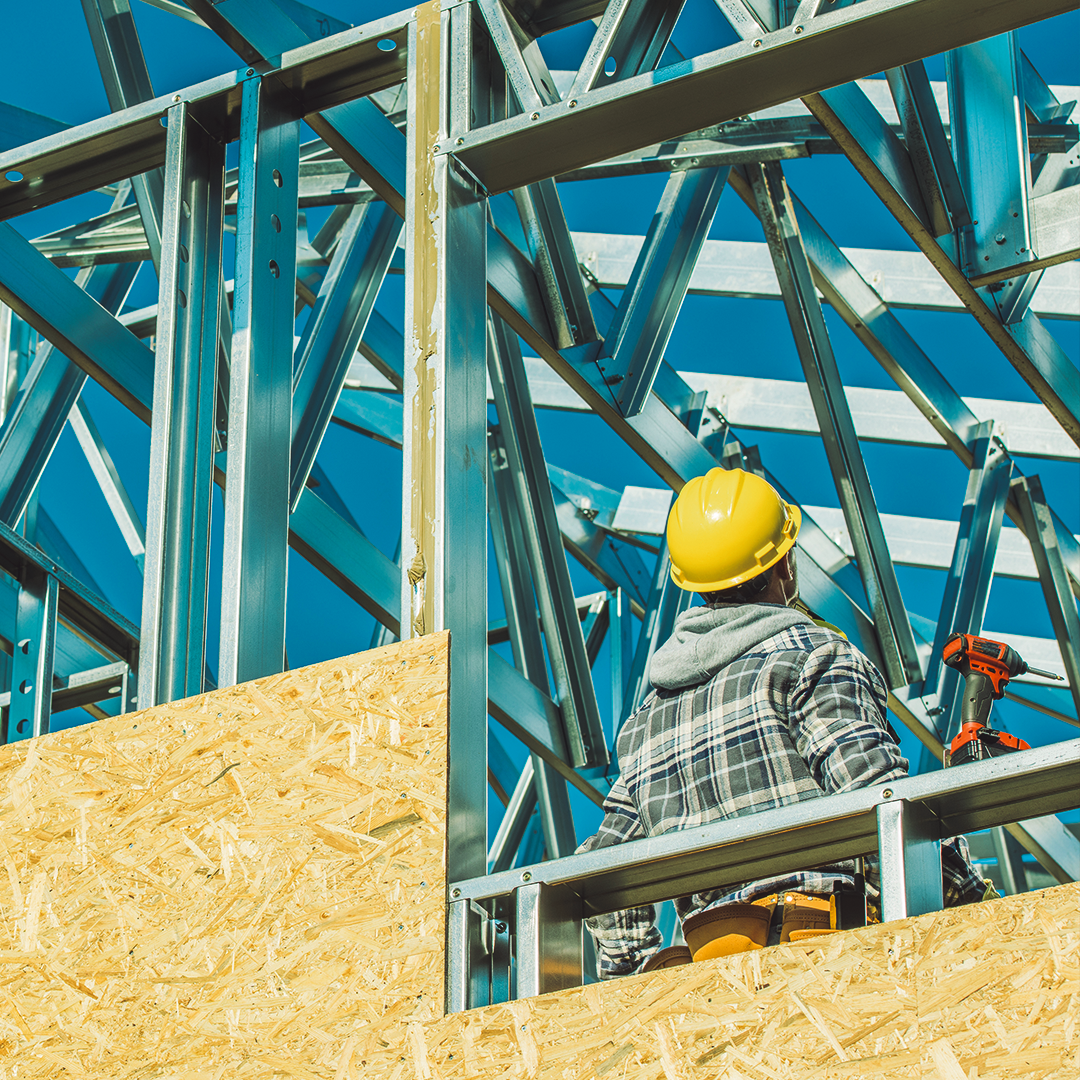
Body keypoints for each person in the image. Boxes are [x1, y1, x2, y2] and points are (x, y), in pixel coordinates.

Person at [579, 467, 990, 979]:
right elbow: (883, 800)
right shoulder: (813, 659)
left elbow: (604, 869)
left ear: (694, 584)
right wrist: (976, 904)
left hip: (711, 987)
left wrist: (637, 979)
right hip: (829, 966)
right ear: (786, 565)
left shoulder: (646, 722)